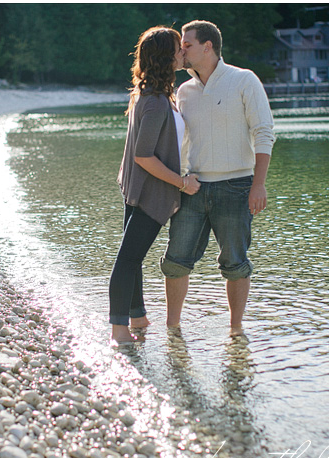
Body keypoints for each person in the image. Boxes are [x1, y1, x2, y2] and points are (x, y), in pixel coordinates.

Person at [160, 20, 276, 336]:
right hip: (192, 187)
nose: (181, 51)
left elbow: (264, 132)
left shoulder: (244, 80)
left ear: (207, 46)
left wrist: (259, 184)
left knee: (235, 262)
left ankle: (236, 333)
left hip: (237, 186)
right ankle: (173, 328)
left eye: (187, 45)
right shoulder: (183, 91)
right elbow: (176, 141)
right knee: (175, 259)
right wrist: (175, 181)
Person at [109, 26, 201, 344]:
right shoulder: (156, 102)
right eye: (178, 48)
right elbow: (143, 156)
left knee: (131, 257)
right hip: (150, 192)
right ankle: (119, 332)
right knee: (129, 260)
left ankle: (137, 317)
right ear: (166, 56)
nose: (182, 52)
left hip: (139, 189)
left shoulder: (154, 95)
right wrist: (182, 183)